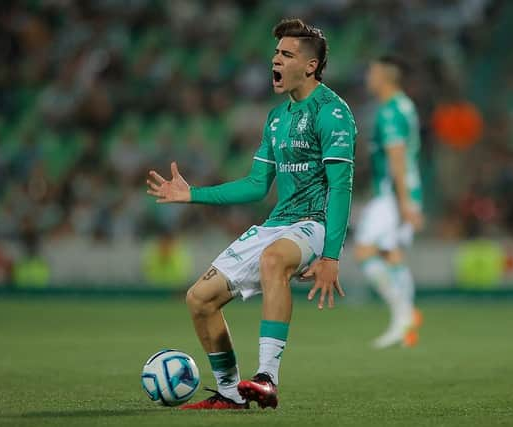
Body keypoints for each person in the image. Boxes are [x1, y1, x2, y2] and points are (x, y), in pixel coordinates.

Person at [146, 18, 356, 410]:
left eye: (286, 54)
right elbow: (258, 184)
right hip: (278, 223)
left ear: (310, 66)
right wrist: (193, 194)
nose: (275, 60)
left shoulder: (333, 112)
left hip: (314, 222)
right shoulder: (277, 117)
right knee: (199, 299)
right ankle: (229, 394)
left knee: (273, 259)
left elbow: (341, 186)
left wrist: (330, 256)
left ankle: (267, 378)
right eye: (276, 53)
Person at [353, 55, 424, 349]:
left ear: (384, 76)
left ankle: (403, 316)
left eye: (372, 73)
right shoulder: (405, 105)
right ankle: (404, 319)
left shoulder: (390, 112)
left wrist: (404, 202)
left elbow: (396, 156)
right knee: (391, 254)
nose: (369, 78)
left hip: (393, 194)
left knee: (365, 251)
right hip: (402, 190)